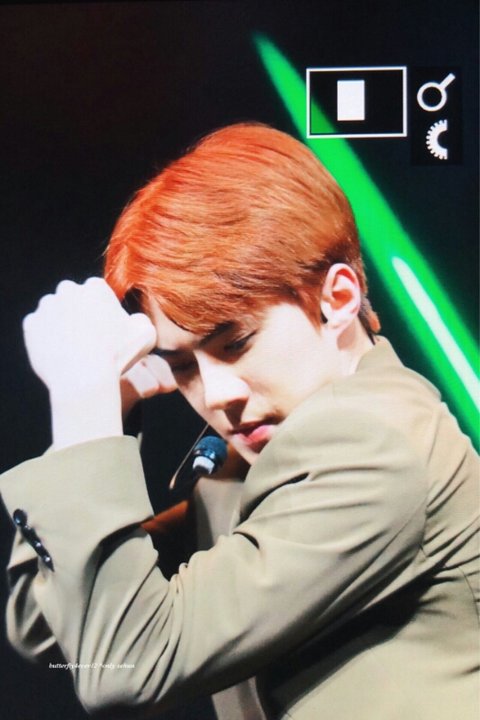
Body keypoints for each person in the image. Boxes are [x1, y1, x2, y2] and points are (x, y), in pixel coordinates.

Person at [0, 123, 478, 720]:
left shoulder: (376, 445)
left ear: (337, 298)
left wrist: (83, 416)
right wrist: (103, 417)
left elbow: (122, 664)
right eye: (182, 364)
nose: (217, 395)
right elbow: (48, 626)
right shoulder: (246, 465)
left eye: (236, 343)